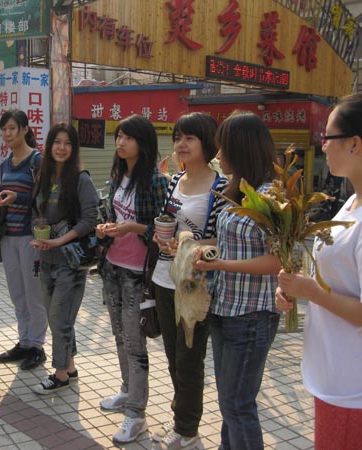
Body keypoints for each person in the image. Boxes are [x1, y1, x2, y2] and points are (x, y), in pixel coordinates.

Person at [275, 93, 362, 450]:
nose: (322, 145)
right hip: (333, 374)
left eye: (328, 137)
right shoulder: (351, 202)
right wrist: (295, 289)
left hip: (352, 388)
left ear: (355, 144)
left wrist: (311, 292)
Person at [194, 111, 281, 450]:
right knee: (229, 402)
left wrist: (222, 265)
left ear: (241, 148)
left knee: (238, 405)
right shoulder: (240, 190)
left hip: (252, 315)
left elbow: (278, 261)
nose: (218, 155)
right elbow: (230, 242)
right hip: (225, 308)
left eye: (223, 147)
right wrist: (192, 247)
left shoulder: (271, 195)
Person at [150, 113, 228, 449]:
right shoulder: (176, 180)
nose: (181, 144)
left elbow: (221, 241)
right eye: (178, 137)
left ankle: (188, 430)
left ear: (207, 142)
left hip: (194, 285)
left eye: (189, 138)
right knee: (172, 357)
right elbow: (168, 222)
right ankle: (181, 419)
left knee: (190, 360)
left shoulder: (221, 187)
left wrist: (186, 244)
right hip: (164, 277)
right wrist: (162, 239)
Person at [96, 114, 167, 444]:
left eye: (128, 137)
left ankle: (136, 414)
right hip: (112, 266)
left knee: (135, 342)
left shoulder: (155, 181)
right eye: (119, 136)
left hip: (139, 273)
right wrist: (106, 228)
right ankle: (127, 391)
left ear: (144, 142)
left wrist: (132, 227)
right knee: (120, 335)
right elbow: (114, 217)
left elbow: (163, 231)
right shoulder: (118, 176)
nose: (121, 142)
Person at [29, 124, 99, 395]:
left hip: (70, 262)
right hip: (46, 257)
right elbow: (37, 211)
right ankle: (69, 366)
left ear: (74, 148)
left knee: (60, 318)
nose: (61, 148)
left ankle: (60, 375)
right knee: (56, 316)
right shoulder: (43, 177)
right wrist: (38, 233)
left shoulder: (81, 179)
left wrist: (60, 240)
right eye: (56, 142)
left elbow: (90, 219)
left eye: (67, 143)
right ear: (48, 146)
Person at [0, 109, 48, 371]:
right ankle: (24, 342)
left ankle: (37, 346)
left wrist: (17, 197)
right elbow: (3, 195)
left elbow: (45, 197)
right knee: (17, 293)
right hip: (7, 237)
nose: (7, 134)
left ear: (25, 129)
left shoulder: (37, 161)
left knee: (34, 295)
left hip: (30, 237)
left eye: (12, 128)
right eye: (4, 130)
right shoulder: (4, 164)